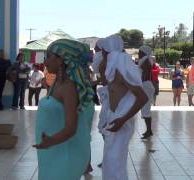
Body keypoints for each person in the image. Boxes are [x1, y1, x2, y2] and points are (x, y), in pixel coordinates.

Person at [33, 39, 95, 180]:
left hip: (65, 153)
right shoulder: (57, 82)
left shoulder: (68, 87)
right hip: (52, 151)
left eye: (49, 56)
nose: (45, 61)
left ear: (62, 59)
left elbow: (71, 128)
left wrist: (50, 141)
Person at [99, 34, 148, 180]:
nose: (101, 55)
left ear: (108, 52)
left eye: (103, 52)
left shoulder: (122, 71)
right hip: (114, 120)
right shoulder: (113, 70)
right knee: (110, 163)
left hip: (121, 123)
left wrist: (122, 120)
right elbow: (109, 89)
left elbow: (142, 97)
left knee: (115, 164)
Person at [138, 45, 155, 139]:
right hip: (145, 85)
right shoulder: (145, 60)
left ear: (144, 52)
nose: (138, 53)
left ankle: (149, 131)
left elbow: (143, 76)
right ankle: (149, 130)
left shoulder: (145, 61)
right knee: (145, 109)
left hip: (145, 86)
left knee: (145, 109)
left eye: (140, 52)